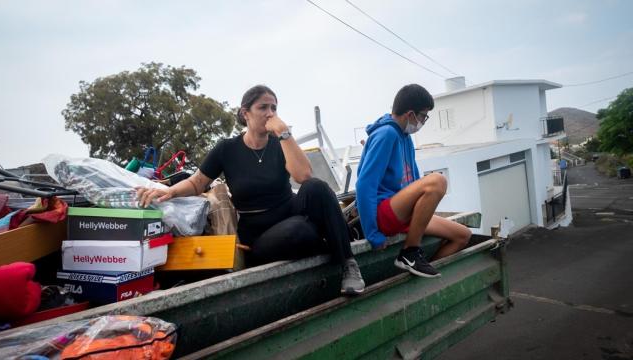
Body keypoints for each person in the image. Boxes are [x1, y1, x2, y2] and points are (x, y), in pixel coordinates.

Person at [137, 85, 365, 295]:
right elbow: (197, 182)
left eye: (274, 108)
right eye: (263, 107)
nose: (270, 113)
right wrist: (167, 191)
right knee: (300, 230)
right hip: (261, 233)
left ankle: (349, 265)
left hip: (290, 210)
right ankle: (335, 237)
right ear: (245, 113)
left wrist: (285, 134)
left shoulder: (281, 144)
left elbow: (303, 176)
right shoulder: (227, 149)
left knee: (317, 187)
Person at [356, 84, 471, 277]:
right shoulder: (386, 134)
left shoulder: (405, 138)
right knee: (437, 181)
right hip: (384, 212)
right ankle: (410, 252)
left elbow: (413, 181)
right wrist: (372, 233)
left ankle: (417, 274)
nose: (423, 121)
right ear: (410, 114)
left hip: (403, 212)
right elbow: (364, 185)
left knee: (462, 236)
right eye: (423, 116)